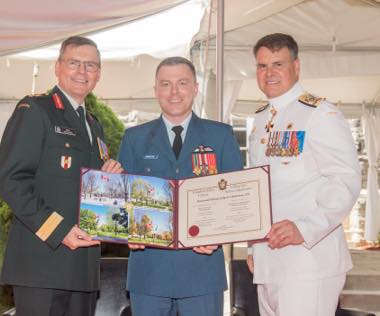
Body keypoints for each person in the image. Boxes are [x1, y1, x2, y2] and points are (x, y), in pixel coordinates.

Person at [0, 36, 122, 316]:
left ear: (98, 74)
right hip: (42, 264)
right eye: (74, 62)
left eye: (90, 65)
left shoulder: (93, 125)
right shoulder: (36, 110)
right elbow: (9, 180)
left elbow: (82, 188)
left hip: (84, 268)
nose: (82, 71)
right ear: (58, 67)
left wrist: (109, 180)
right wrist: (59, 230)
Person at [117, 56, 243, 316]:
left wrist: (219, 236)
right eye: (166, 84)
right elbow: (121, 203)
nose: (174, 92)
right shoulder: (134, 138)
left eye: (182, 83)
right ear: (156, 91)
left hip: (202, 272)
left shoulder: (221, 135)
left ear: (195, 88)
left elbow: (236, 199)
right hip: (149, 274)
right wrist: (125, 230)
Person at [247, 33, 361, 316]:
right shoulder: (261, 119)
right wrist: (252, 246)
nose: (269, 73)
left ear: (296, 67)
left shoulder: (321, 113)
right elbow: (259, 188)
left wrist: (305, 227)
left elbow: (344, 181)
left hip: (309, 259)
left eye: (278, 64)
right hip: (267, 260)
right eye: (262, 66)